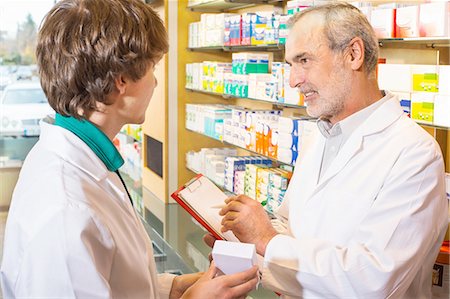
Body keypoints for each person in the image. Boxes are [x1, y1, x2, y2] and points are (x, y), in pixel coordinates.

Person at [0, 0, 258, 298]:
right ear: (120, 81)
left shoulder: (82, 157)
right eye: (152, 68)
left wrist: (177, 287)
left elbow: (112, 280)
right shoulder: (66, 211)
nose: (156, 81)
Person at [213, 2, 449, 298]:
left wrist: (265, 240)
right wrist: (242, 247)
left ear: (353, 54)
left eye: (304, 60)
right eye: (290, 65)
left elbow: (373, 281)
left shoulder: (414, 154)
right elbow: (292, 227)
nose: (293, 80)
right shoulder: (319, 135)